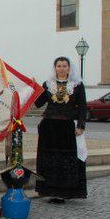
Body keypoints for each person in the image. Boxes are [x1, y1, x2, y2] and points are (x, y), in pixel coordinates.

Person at [34, 57, 88, 203]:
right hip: (49, 127)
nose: (62, 68)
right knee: (49, 159)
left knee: (66, 160)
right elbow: (38, 104)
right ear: (55, 68)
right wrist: (35, 89)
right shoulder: (48, 84)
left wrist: (81, 125)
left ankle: (64, 192)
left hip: (67, 126)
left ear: (69, 68)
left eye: (64, 66)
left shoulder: (77, 85)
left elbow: (83, 106)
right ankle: (50, 190)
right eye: (59, 66)